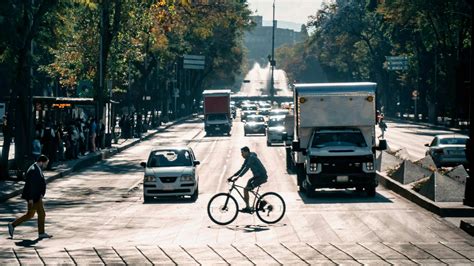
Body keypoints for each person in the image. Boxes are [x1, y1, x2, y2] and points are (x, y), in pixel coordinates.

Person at [8, 155, 52, 239]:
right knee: (41, 214)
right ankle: (41, 233)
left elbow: (40, 183)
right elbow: (30, 186)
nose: (46, 165)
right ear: (41, 162)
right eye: (46, 163)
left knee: (30, 214)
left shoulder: (37, 168)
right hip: (34, 197)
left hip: (36, 196)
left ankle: (12, 225)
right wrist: (31, 198)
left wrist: (42, 193)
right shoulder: (33, 170)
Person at [227, 146, 268, 213]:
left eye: (242, 153)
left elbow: (246, 168)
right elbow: (242, 168)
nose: (241, 155)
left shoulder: (251, 158)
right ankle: (258, 203)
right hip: (257, 176)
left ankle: (249, 207)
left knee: (246, 189)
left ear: (247, 152)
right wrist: (232, 176)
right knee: (247, 186)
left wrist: (238, 177)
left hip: (261, 177)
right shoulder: (247, 158)